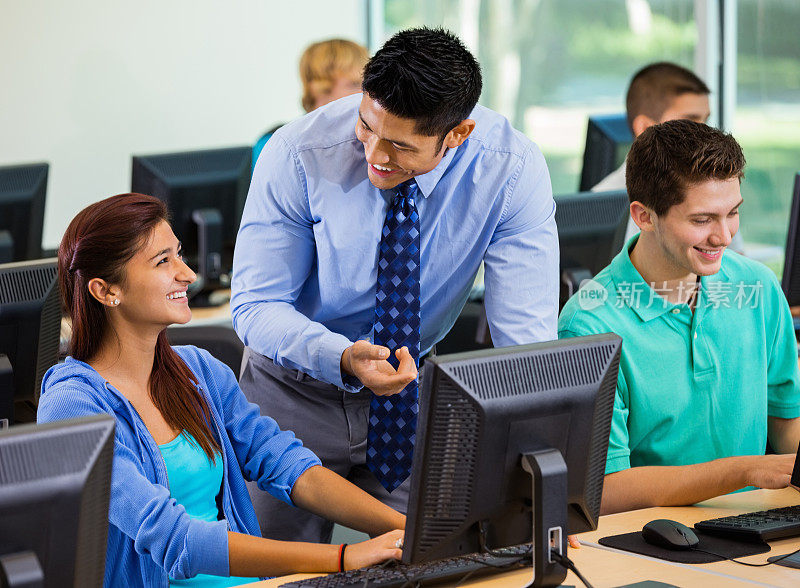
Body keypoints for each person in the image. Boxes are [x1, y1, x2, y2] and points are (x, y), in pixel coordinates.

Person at [232, 27, 559, 542]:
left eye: (401, 145)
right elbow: (256, 305)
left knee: (433, 556)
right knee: (280, 570)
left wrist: (542, 476)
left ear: (458, 133)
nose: (376, 155)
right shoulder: (298, 151)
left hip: (407, 396)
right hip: (288, 393)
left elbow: (526, 337)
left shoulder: (510, 171)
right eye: (367, 125)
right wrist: (341, 356)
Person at [37, 193, 405, 587]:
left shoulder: (198, 370)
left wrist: (408, 529)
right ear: (106, 290)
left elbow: (287, 465)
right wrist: (344, 558)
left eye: (179, 254)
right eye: (163, 261)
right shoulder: (72, 405)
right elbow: (177, 541)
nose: (188, 274)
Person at [559, 120, 800, 515]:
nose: (724, 236)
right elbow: (603, 488)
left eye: (733, 213)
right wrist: (745, 471)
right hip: (653, 541)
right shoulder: (589, 325)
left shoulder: (757, 287)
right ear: (644, 216)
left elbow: (786, 419)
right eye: (702, 220)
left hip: (758, 521)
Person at [592, 62, 743, 253]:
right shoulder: (601, 205)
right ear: (646, 129)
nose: (704, 131)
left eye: (705, 120)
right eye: (690, 121)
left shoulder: (714, 189)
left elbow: (739, 264)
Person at [253, 39, 369, 168]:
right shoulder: (278, 145)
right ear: (321, 87)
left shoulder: (369, 141)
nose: (365, 93)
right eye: (355, 84)